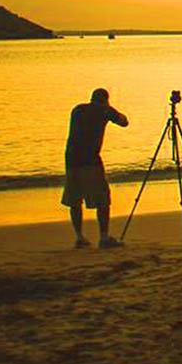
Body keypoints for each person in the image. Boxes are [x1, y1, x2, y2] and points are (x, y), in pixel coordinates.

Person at [61, 88, 129, 249]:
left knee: (75, 199)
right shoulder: (104, 110)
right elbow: (124, 122)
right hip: (90, 160)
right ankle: (104, 237)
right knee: (102, 199)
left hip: (71, 159)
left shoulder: (77, 110)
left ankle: (79, 237)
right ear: (105, 100)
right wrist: (110, 109)